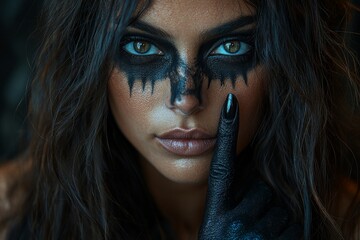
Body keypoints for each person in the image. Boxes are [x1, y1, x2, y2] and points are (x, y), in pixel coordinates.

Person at [1, 0, 360, 239]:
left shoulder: (347, 224)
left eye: (230, 47)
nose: (186, 100)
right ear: (91, 65)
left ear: (283, 62)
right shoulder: (16, 215)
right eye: (142, 47)